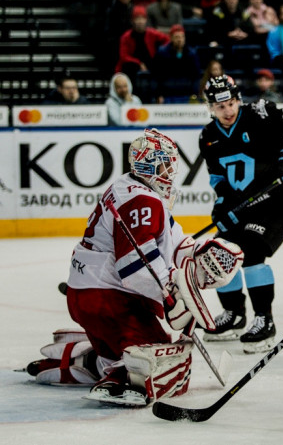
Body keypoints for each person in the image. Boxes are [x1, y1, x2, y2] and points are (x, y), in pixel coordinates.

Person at [25, 129, 244, 406]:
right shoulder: (143, 200)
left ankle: (79, 361)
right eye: (165, 162)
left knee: (129, 352)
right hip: (108, 300)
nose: (171, 169)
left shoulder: (132, 186)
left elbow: (169, 238)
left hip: (92, 296)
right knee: (162, 355)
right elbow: (135, 266)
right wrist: (169, 297)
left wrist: (197, 251)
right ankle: (119, 378)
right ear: (148, 163)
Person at [198, 75, 283, 353]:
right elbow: (218, 177)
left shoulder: (261, 112)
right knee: (219, 252)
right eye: (220, 107)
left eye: (230, 103)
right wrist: (223, 206)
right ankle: (234, 314)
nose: (227, 111)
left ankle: (264, 321)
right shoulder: (208, 136)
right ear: (210, 108)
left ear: (238, 99)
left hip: (279, 201)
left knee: (251, 252)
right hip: (244, 205)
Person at [115, 6, 170, 80]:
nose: (140, 21)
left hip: (150, 62)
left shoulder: (152, 33)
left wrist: (160, 51)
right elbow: (124, 56)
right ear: (133, 20)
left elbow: (167, 40)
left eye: (142, 18)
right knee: (128, 66)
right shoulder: (126, 36)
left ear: (146, 20)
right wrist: (139, 63)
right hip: (133, 64)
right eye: (137, 19)